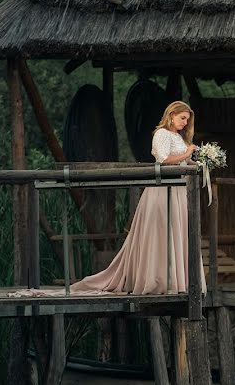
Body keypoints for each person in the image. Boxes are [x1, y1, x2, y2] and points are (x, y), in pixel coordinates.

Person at [47, 101, 206, 296]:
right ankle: (160, 278)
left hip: (179, 190)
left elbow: (181, 160)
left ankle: (179, 279)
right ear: (171, 115)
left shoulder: (177, 137)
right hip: (164, 190)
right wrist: (186, 152)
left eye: (187, 120)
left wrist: (198, 161)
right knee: (162, 231)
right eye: (182, 118)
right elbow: (163, 161)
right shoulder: (161, 134)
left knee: (177, 231)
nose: (184, 123)